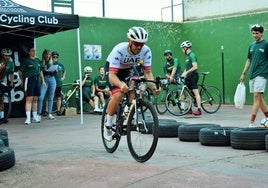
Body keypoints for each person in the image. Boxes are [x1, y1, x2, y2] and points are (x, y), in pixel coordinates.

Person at [104, 26, 159, 141]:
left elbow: (148, 72)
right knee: (118, 94)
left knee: (135, 90)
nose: (139, 47)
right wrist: (121, 85)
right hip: (114, 70)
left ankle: (129, 115)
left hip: (129, 69)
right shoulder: (119, 50)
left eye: (142, 44)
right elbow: (112, 75)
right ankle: (108, 124)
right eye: (136, 44)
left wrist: (153, 87)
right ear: (129, 41)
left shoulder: (146, 51)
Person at [240, 24, 268, 127]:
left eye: (257, 33)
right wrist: (243, 73)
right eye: (253, 33)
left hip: (262, 74)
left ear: (261, 33)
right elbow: (248, 60)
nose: (255, 35)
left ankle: (251, 122)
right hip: (252, 75)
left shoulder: (266, 44)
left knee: (256, 97)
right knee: (259, 100)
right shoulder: (251, 46)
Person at [18, 47, 42, 125]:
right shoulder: (26, 61)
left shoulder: (38, 60)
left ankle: (34, 117)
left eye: (35, 51)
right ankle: (28, 118)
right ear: (29, 52)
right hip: (29, 80)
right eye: (32, 51)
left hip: (37, 80)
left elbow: (40, 70)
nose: (34, 52)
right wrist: (22, 80)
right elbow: (20, 72)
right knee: (29, 99)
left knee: (35, 99)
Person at [180, 40, 202, 116]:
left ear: (186, 48)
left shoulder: (192, 55)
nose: (182, 50)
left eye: (182, 48)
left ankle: (199, 109)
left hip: (193, 76)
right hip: (188, 76)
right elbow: (187, 68)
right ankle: (189, 109)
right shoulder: (187, 56)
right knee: (188, 92)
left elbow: (195, 67)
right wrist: (183, 74)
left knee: (196, 92)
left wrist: (186, 73)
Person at [37, 49, 57, 120]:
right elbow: (40, 72)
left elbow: (55, 73)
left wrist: (55, 71)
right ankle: (39, 114)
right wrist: (42, 81)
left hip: (52, 79)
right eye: (46, 54)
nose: (48, 55)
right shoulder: (41, 62)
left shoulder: (52, 63)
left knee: (50, 98)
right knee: (41, 97)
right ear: (44, 55)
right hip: (44, 79)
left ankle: (50, 113)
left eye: (49, 54)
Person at [0, 48, 14, 124]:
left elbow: (11, 74)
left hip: (1, 82)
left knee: (1, 99)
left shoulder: (11, 64)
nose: (7, 57)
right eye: (6, 55)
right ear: (3, 55)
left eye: (9, 55)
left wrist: (11, 83)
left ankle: (2, 117)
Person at [52, 51, 66, 116]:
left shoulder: (60, 65)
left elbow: (64, 71)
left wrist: (63, 77)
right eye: (54, 56)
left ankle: (58, 110)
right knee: (49, 97)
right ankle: (47, 111)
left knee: (58, 97)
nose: (55, 58)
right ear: (51, 57)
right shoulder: (50, 64)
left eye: (56, 57)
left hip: (58, 84)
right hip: (51, 83)